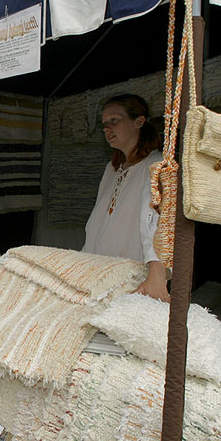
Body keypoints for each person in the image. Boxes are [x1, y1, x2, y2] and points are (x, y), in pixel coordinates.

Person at [83, 94, 169, 302]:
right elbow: (96, 223)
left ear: (138, 122)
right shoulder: (112, 169)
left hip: (132, 276)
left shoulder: (156, 165)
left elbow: (157, 223)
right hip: (99, 273)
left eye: (114, 120)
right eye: (104, 124)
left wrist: (157, 277)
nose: (107, 128)